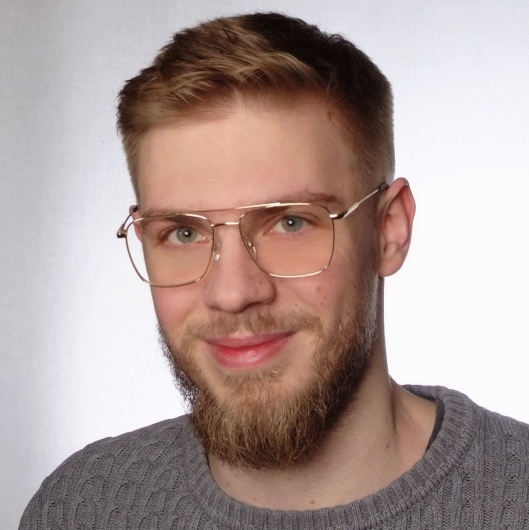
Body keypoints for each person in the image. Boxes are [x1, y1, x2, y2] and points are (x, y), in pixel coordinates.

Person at [20, 12, 529, 530]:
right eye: (184, 232)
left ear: (388, 230)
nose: (232, 293)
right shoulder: (82, 508)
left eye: (290, 222)